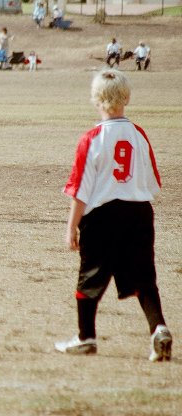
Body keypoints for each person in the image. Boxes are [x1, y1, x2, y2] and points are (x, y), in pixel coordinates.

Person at [56, 68, 172, 362]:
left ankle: (86, 337)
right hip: (139, 213)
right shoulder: (139, 134)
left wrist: (71, 227)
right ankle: (158, 328)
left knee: (90, 278)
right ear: (127, 98)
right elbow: (152, 182)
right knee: (144, 278)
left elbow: (80, 189)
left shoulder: (92, 138)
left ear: (96, 99)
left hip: (102, 217)